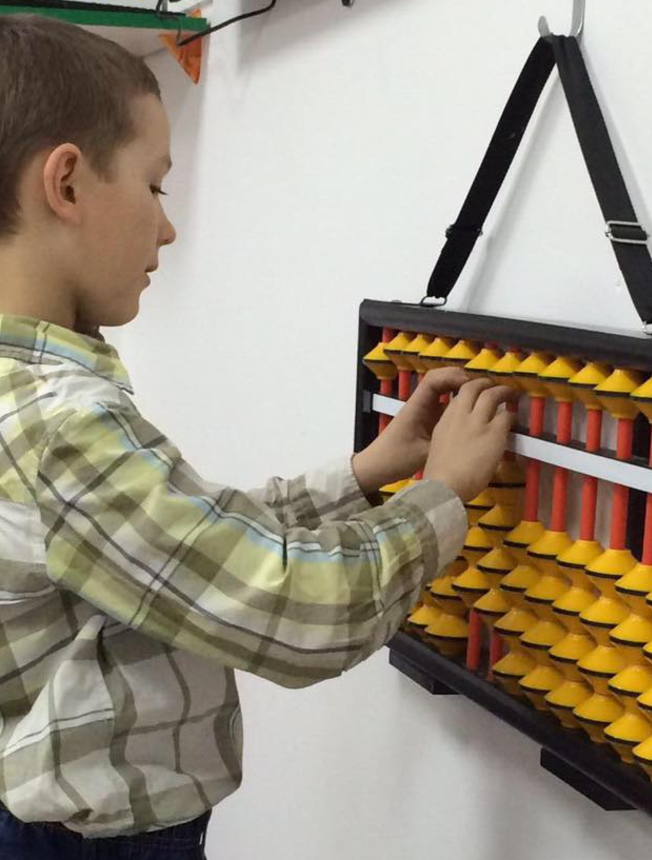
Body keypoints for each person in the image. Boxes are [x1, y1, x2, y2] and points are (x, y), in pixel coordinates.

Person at [0, 13, 516, 859]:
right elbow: (296, 609)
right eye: (156, 187)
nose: (167, 227)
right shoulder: (60, 426)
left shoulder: (25, 400)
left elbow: (181, 543)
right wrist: (442, 496)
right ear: (66, 184)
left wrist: (364, 473)